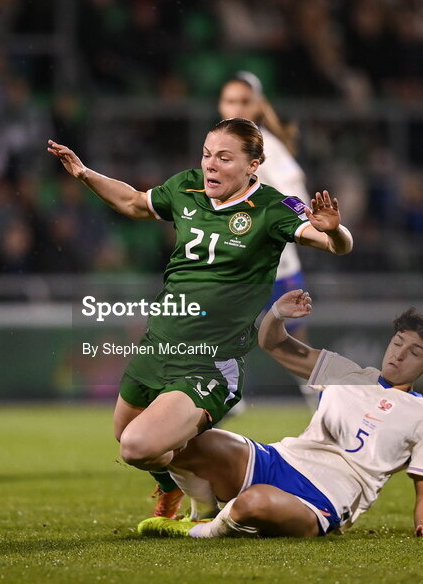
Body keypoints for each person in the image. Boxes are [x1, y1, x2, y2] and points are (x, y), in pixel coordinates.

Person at [48, 118, 352, 519]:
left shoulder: (273, 208)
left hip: (209, 360)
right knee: (128, 437)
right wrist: (85, 174)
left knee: (137, 446)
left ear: (253, 165)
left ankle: (242, 467)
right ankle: (187, 489)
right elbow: (135, 202)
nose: (211, 165)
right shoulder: (185, 186)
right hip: (160, 345)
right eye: (208, 155)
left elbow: (331, 244)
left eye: (225, 158)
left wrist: (335, 232)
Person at [138, 289, 423, 539]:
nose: (399, 354)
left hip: (326, 498)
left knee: (253, 502)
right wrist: (277, 313)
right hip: (279, 460)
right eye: (397, 342)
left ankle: (201, 532)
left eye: (414, 352)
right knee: (182, 442)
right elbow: (273, 343)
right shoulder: (347, 372)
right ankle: (204, 511)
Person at [217, 71, 315, 409]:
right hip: (238, 262)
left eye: (244, 101)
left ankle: (332, 409)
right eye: (231, 101)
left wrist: (277, 228)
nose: (236, 108)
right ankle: (224, 400)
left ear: (258, 106)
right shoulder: (221, 148)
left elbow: (297, 200)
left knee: (289, 347)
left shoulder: (266, 147)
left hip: (275, 264)